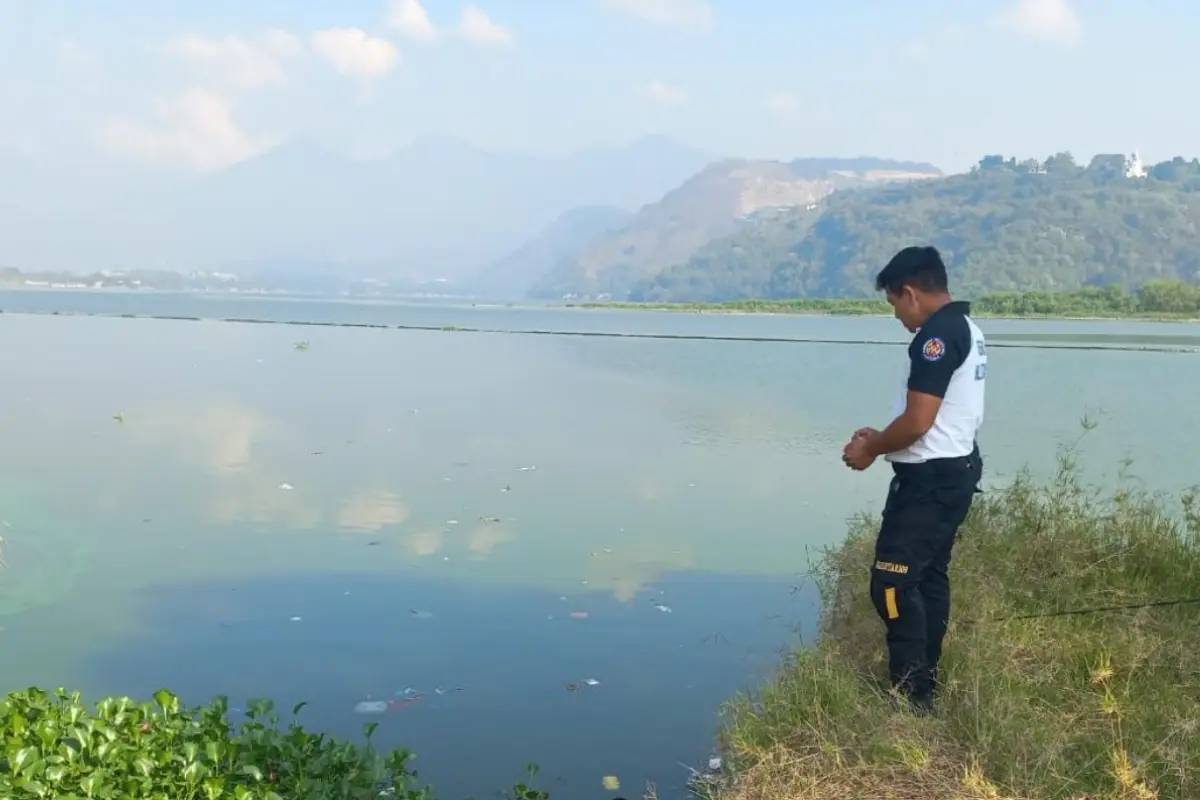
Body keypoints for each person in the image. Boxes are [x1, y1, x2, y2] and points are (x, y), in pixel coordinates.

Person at [841, 245, 986, 715]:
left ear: (910, 293)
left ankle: (911, 693)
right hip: (952, 470)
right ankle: (926, 679)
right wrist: (883, 436)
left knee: (892, 584)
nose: (897, 316)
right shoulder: (968, 328)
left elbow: (921, 421)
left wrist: (870, 448)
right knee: (926, 578)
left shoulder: (934, 338)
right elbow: (937, 422)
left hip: (930, 483)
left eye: (893, 305)